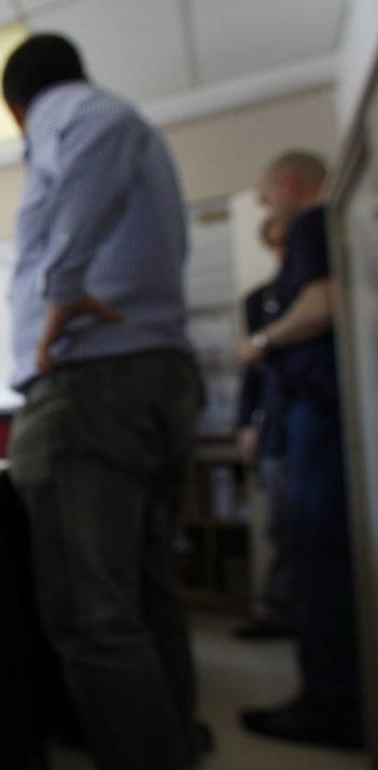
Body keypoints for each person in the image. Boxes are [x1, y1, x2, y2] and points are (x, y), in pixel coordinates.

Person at [1, 34, 204, 770]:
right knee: (143, 595)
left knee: (95, 618)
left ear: (16, 110)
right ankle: (175, 746)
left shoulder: (72, 111)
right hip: (148, 378)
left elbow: (101, 128)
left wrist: (59, 286)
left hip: (92, 385)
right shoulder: (130, 136)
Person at [238, 151, 363, 749]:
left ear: (289, 185)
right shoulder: (333, 226)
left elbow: (322, 304)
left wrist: (261, 341)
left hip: (317, 411)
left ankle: (330, 702)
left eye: (267, 200)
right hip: (318, 413)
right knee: (317, 551)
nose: (270, 211)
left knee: (319, 555)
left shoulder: (314, 222)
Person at [233, 216, 295, 640]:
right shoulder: (260, 300)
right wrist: (245, 422)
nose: (281, 252)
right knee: (281, 523)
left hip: (317, 417)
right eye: (275, 244)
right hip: (275, 425)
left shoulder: (319, 290)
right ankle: (279, 609)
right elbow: (252, 370)